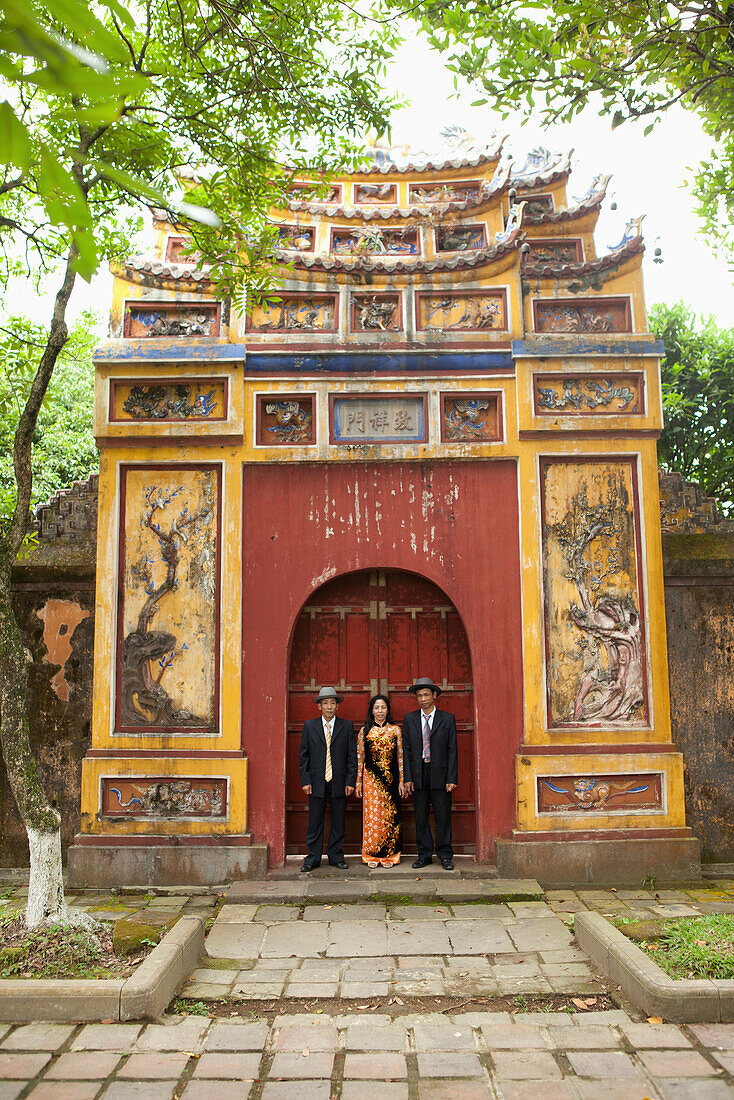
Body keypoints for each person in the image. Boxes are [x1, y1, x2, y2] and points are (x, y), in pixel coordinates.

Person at [402, 676, 458, 870]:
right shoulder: (409, 719)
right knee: (420, 815)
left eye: (426, 694)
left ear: (434, 695)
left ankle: (445, 855)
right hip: (418, 773)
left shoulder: (447, 719)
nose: (423, 699)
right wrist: (407, 777)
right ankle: (424, 854)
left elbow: (452, 750)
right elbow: (406, 750)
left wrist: (452, 778)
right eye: (419, 696)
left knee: (443, 815)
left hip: (440, 774)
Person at [299, 686, 356, 872]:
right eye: (326, 703)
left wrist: (350, 781)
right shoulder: (309, 726)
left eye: (332, 703)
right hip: (316, 781)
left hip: (339, 781)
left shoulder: (346, 726)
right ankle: (313, 858)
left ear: (337, 706)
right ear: (319, 706)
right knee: (315, 821)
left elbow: (351, 757)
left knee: (338, 820)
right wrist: (306, 780)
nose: (329, 707)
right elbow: (304, 756)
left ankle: (336, 856)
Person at [355, 694, 404, 868]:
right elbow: (360, 760)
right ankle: (371, 855)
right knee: (372, 818)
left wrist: (402, 781)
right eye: (377, 707)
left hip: (391, 780)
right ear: (372, 710)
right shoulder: (365, 731)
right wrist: (358, 783)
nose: (380, 711)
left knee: (390, 817)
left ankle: (390, 856)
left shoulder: (395, 730)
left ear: (388, 709)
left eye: (383, 707)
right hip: (371, 781)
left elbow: (400, 757)